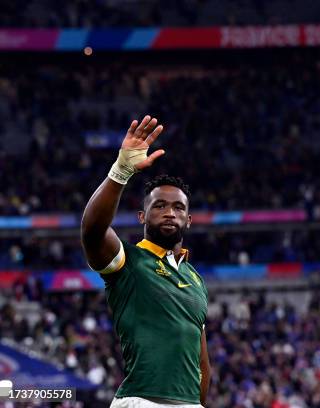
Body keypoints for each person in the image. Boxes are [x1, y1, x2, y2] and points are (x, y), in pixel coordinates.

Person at [81, 115, 210, 408]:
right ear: (142, 216)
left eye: (178, 207)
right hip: (141, 401)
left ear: (188, 221)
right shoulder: (129, 261)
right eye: (159, 205)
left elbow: (201, 361)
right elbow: (91, 230)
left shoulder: (196, 280)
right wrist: (121, 171)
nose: (169, 212)